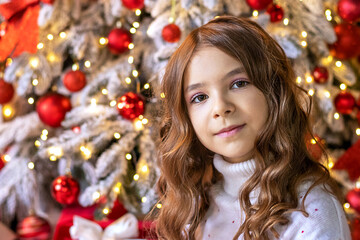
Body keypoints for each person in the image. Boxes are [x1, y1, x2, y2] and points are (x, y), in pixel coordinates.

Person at [154, 16, 351, 240]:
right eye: (199, 97)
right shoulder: (194, 205)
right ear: (186, 118)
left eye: (238, 83)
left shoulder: (312, 213)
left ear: (273, 92)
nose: (220, 108)